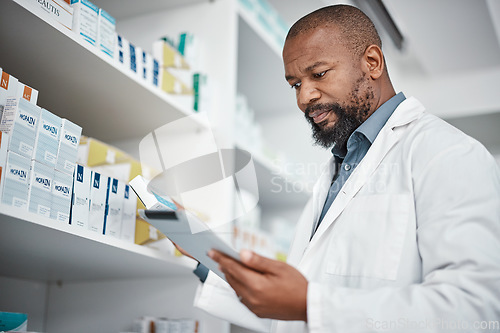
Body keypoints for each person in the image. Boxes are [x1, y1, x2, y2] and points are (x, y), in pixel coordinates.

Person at [187, 4, 500, 332]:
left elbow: (476, 309)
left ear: (372, 63)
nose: (304, 98)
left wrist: (311, 303)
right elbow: (292, 312)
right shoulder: (340, 166)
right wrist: (207, 259)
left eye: (318, 74)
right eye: (295, 84)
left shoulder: (447, 154)